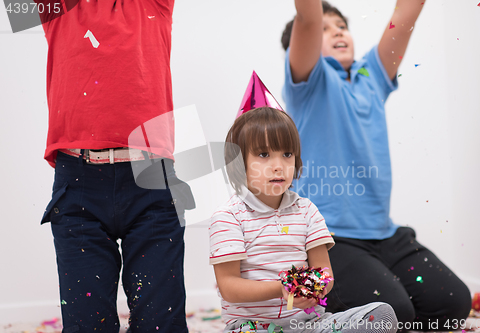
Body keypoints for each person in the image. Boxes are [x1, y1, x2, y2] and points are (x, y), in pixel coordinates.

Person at [281, 0, 471, 330]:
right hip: (329, 240)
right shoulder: (308, 83)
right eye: (325, 29)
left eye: (341, 25)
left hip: (385, 235)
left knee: (453, 303)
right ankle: (318, 318)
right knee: (394, 311)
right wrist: (313, 22)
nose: (337, 30)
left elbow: (405, 13)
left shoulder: (371, 75)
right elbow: (308, 18)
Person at [37, 0, 191, 332]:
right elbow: (14, 11)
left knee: (161, 324)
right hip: (79, 185)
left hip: (152, 181)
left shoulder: (154, 5)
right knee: (87, 325)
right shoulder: (59, 7)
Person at [209, 106, 398, 333]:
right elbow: (229, 286)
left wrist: (314, 288)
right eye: (264, 154)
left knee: (383, 315)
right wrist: (281, 288)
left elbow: (325, 274)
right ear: (239, 164)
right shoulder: (228, 216)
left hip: (308, 324)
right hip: (253, 327)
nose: (279, 165)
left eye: (287, 154)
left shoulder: (306, 210)